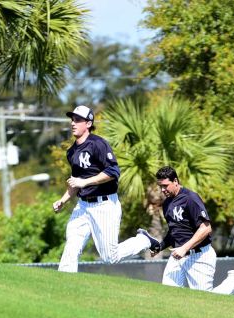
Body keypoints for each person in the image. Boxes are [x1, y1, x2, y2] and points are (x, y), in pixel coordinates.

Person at [53, 105, 156, 272]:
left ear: (88, 123)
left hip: (104, 205)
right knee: (71, 247)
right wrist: (63, 200)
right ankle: (64, 290)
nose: (73, 123)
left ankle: (143, 240)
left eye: (78, 120)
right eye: (72, 119)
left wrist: (85, 183)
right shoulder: (71, 151)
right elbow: (75, 182)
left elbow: (113, 172)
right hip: (83, 206)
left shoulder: (98, 144)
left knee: (110, 257)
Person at [139, 166, 234, 294]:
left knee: (207, 301)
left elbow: (206, 228)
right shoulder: (167, 203)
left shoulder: (190, 198)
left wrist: (184, 248)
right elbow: (174, 232)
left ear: (175, 181)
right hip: (178, 256)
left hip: (199, 256)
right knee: (168, 294)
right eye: (160, 186)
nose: (162, 189)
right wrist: (160, 247)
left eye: (165, 185)